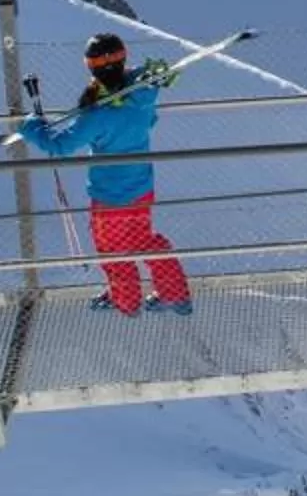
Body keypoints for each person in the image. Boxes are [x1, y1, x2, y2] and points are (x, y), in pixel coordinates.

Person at [17, 33, 194, 315]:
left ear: (93, 67)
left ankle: (125, 301)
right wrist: (150, 73)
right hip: (141, 188)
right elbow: (143, 89)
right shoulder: (142, 96)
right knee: (143, 241)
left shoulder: (98, 116)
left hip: (110, 198)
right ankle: (175, 295)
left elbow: (60, 145)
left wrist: (30, 127)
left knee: (114, 252)